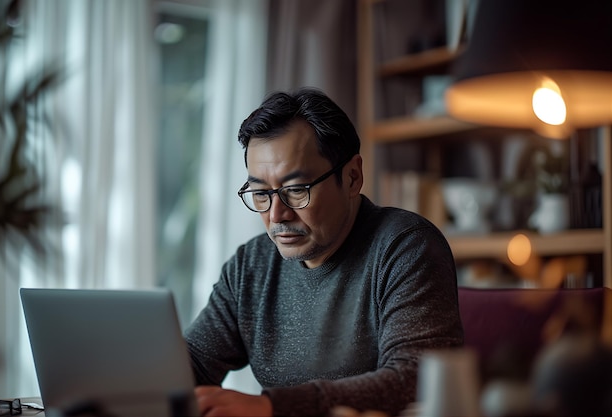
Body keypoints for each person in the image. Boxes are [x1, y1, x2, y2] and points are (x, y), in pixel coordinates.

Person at [184, 87, 463, 417]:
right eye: (260, 193)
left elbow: (413, 380)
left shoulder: (406, 248)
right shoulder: (251, 267)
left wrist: (273, 408)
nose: (276, 215)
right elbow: (190, 366)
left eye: (296, 190)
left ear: (352, 177)